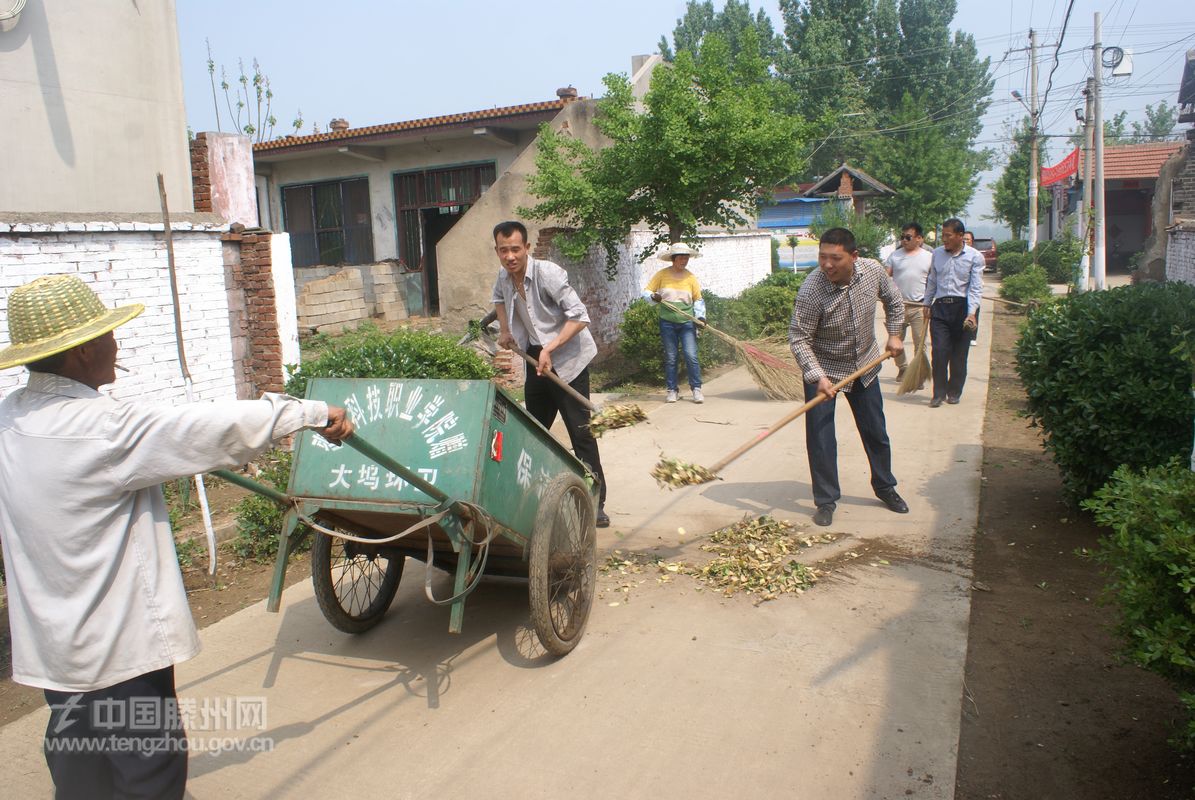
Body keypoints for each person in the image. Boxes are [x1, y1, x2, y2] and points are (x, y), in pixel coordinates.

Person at [0, 274, 354, 800]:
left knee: (80, 772)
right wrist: (313, 412)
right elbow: (209, 428)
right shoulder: (105, 428)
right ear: (79, 353)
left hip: (55, 649)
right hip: (119, 652)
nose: (116, 345)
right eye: (106, 336)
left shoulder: (10, 416)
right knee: (150, 776)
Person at [490, 220, 610, 528]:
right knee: (535, 432)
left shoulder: (548, 274)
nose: (510, 256)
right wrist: (505, 329)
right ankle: (534, 498)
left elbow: (579, 317)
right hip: (536, 359)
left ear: (527, 248)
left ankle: (595, 500)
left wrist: (550, 348)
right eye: (504, 250)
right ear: (498, 251)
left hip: (569, 360)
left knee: (581, 433)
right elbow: (499, 300)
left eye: (515, 249)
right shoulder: (504, 277)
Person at [788, 227, 909, 527]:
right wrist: (817, 376)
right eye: (822, 257)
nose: (827, 265)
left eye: (835, 258)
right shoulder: (812, 290)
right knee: (821, 438)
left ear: (854, 256)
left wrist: (894, 335)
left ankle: (885, 486)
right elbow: (799, 338)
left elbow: (894, 302)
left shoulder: (872, 271)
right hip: (823, 369)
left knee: (875, 431)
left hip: (864, 365)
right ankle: (826, 500)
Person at [923, 219, 985, 407]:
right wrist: (927, 303)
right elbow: (932, 280)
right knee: (940, 352)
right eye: (943, 235)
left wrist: (972, 313)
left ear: (960, 236)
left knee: (959, 355)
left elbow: (975, 288)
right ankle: (938, 393)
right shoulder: (937, 254)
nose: (944, 239)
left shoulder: (975, 257)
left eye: (948, 235)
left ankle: (954, 391)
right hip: (940, 308)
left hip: (962, 309)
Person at [643, 242, 706, 403]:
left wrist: (700, 318)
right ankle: (672, 390)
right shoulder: (662, 275)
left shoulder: (690, 277)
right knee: (671, 357)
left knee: (691, 355)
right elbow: (647, 291)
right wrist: (653, 297)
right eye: (681, 258)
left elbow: (698, 299)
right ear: (673, 258)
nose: (684, 261)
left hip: (686, 323)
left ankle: (696, 389)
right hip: (667, 323)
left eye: (686, 258)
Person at [883, 222, 932, 385]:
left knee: (920, 342)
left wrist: (930, 302)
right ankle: (903, 368)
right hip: (898, 306)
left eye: (908, 237)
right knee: (895, 339)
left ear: (919, 239)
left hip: (919, 306)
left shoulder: (928, 257)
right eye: (902, 237)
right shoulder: (895, 256)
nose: (904, 240)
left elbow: (934, 281)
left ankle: (918, 373)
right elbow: (885, 276)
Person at [962, 231, 981, 347]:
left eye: (968, 239)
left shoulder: (976, 255)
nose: (965, 241)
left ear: (972, 241)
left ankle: (973, 337)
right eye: (964, 239)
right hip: (962, 293)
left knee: (973, 312)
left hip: (973, 291)